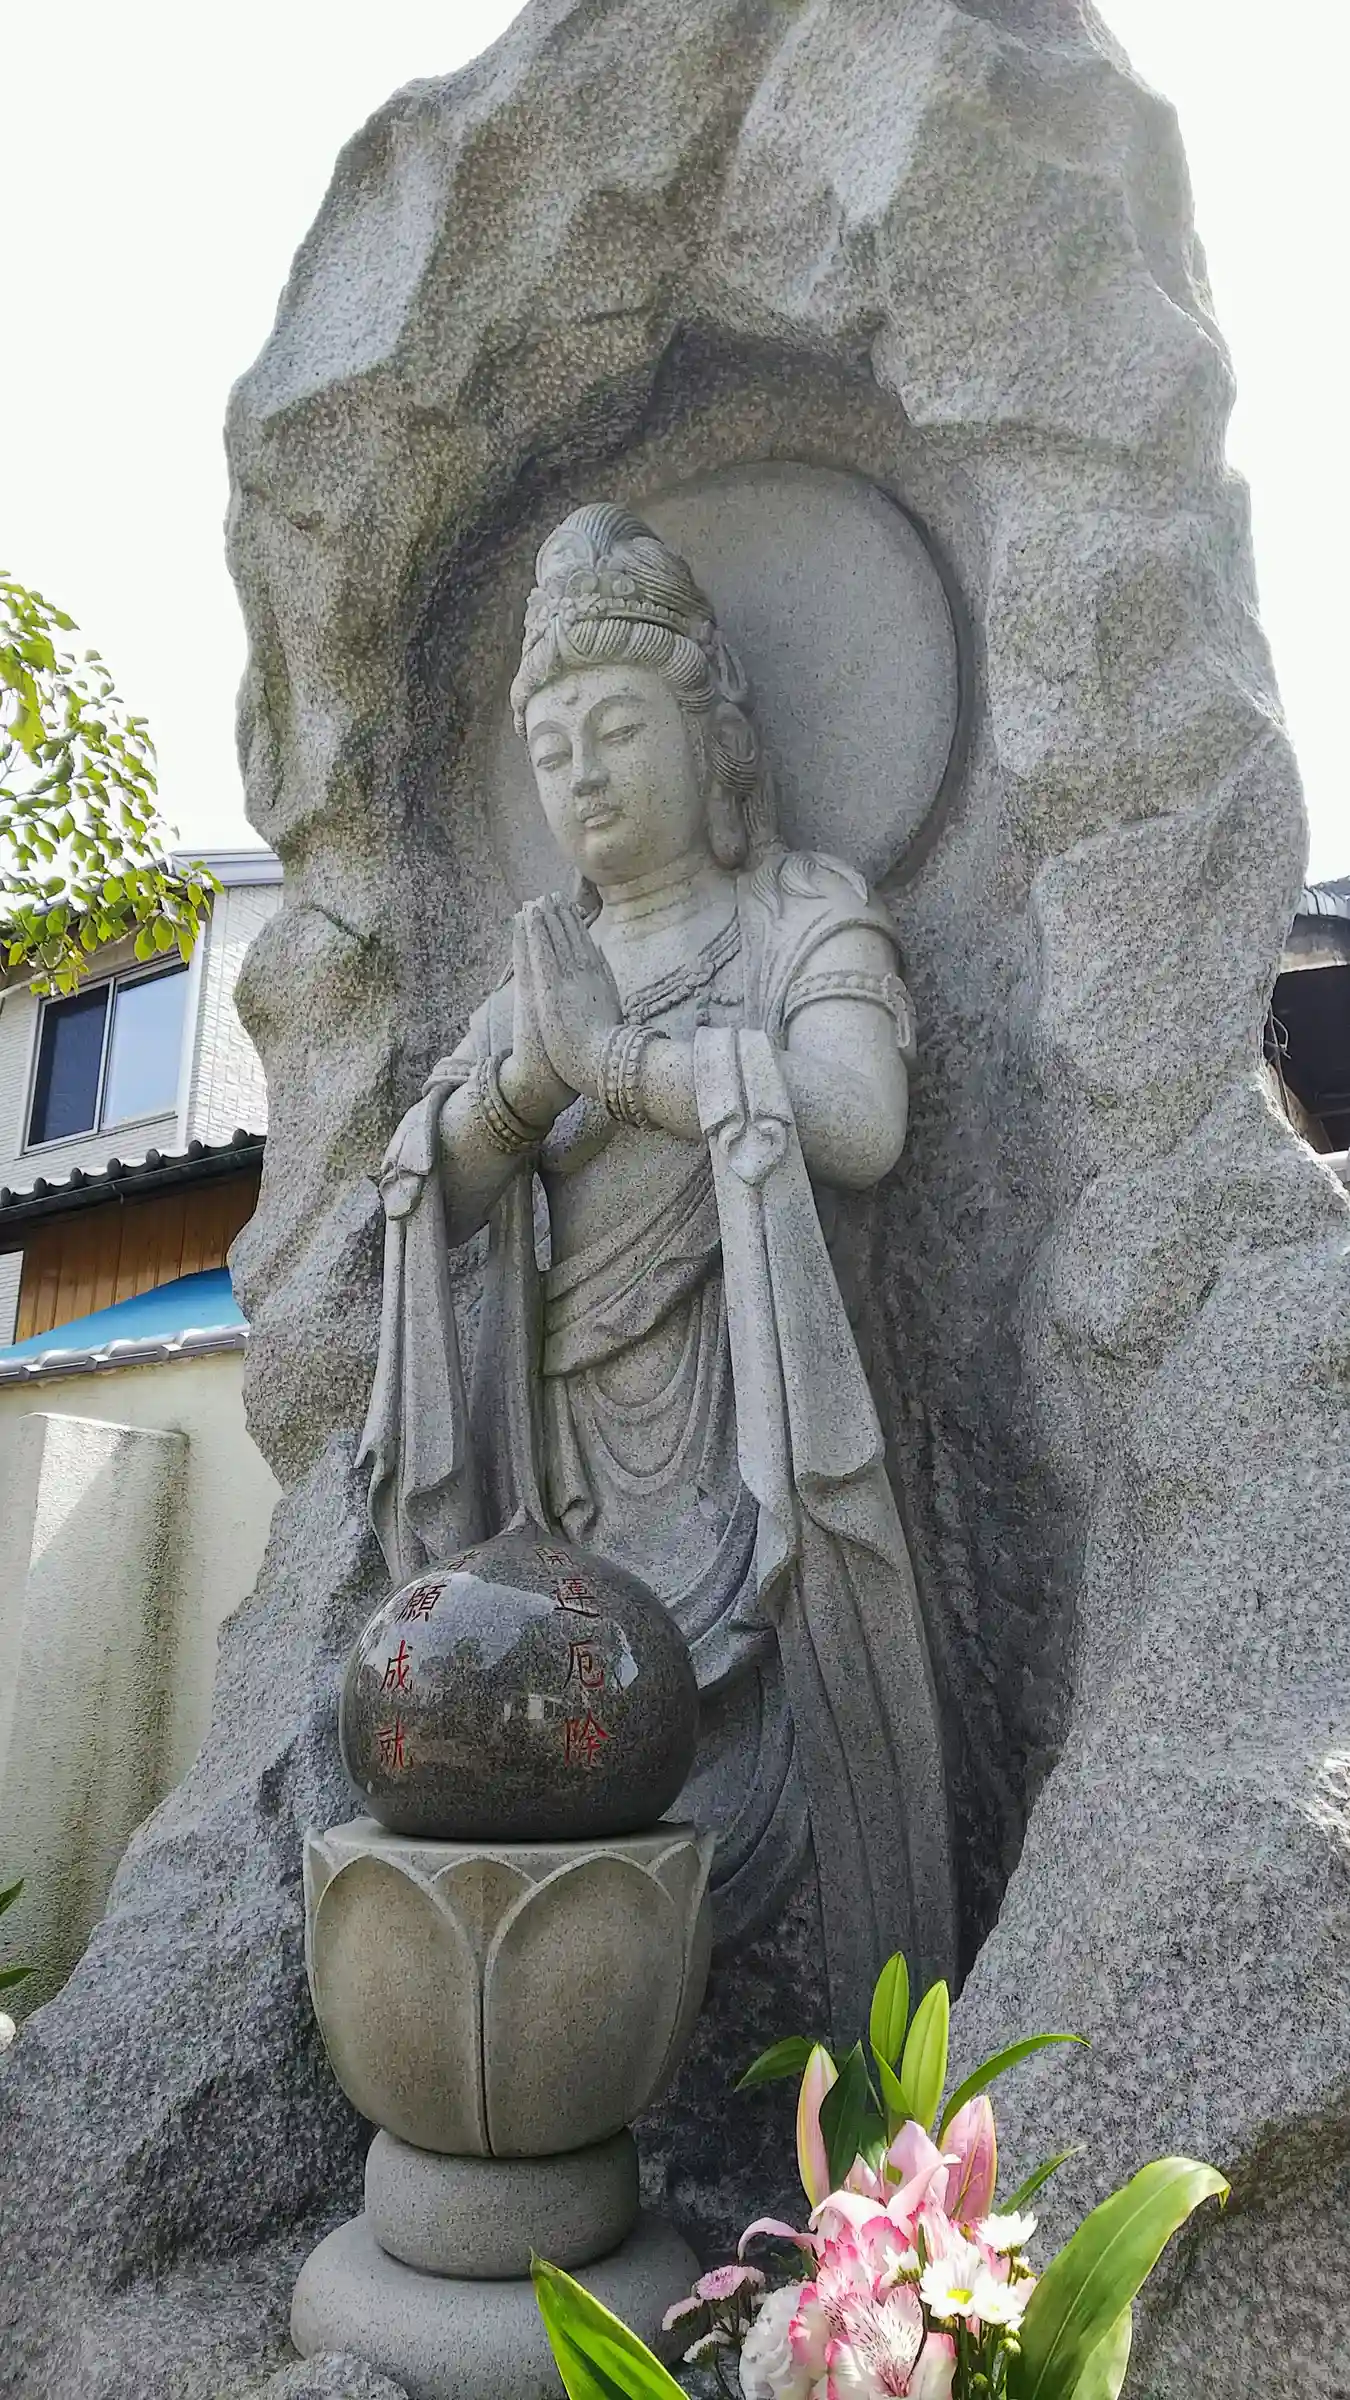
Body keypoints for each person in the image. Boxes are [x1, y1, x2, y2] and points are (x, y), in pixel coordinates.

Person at [358, 503, 953, 2034]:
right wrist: (531, 1073)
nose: (585, 775)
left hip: (755, 1454)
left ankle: (825, 2078)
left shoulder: (800, 914)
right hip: (563, 1473)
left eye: (618, 729)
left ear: (711, 732)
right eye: (553, 749)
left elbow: (858, 1119)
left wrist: (617, 1063)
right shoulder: (547, 964)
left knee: (783, 1792)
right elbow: (433, 1185)